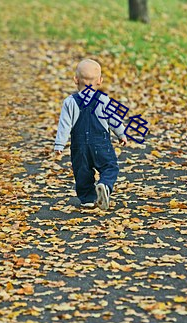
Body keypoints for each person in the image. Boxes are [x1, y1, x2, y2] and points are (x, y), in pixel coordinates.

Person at [54, 59, 127, 210]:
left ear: (76, 79)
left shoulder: (70, 102)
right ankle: (105, 185)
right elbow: (114, 119)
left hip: (79, 146)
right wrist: (121, 134)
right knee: (110, 167)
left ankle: (87, 199)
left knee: (82, 172)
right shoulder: (103, 100)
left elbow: (64, 125)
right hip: (100, 144)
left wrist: (59, 144)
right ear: (100, 81)